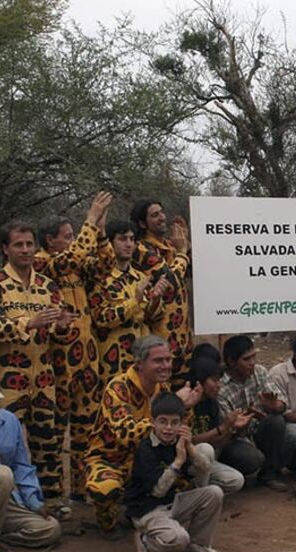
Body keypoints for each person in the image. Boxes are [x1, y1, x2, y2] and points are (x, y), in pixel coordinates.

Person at [0, 220, 73, 517]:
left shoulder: (48, 286)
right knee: (3, 444)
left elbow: (61, 335)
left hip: (44, 378)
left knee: (48, 443)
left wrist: (60, 327)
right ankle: (6, 507)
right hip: (9, 381)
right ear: (5, 249)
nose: (25, 250)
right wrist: (28, 323)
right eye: (18, 244)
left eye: (29, 244)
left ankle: (52, 502)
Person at [32, 192, 115, 504]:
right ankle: (53, 497)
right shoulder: (42, 263)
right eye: (67, 236)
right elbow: (72, 257)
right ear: (50, 240)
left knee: (86, 429)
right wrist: (89, 221)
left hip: (88, 362)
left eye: (73, 236)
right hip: (58, 363)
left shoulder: (77, 267)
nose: (72, 241)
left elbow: (105, 264)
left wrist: (102, 230)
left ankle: (82, 492)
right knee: (54, 433)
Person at [83, 336, 202, 538]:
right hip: (113, 459)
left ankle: (145, 511)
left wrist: (186, 409)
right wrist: (173, 409)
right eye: (158, 361)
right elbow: (126, 435)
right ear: (139, 364)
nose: (166, 366)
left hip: (149, 456)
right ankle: (108, 521)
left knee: (186, 468)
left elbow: (177, 428)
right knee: (105, 488)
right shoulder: (117, 388)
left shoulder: (161, 387)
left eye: (168, 359)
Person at [0, 372, 63, 552]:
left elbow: (22, 465)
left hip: (6, 500)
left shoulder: (9, 420)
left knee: (51, 529)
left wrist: (33, 502)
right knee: (2, 474)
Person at [125, 392, 224, 552]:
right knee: (179, 540)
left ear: (181, 424)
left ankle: (199, 543)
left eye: (174, 423)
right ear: (153, 422)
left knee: (214, 492)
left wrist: (190, 448)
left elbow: (205, 470)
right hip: (148, 509)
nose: (168, 428)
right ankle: (146, 541)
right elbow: (158, 491)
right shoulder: (146, 449)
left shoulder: (178, 442)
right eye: (163, 422)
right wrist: (179, 461)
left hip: (173, 503)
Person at [90, 217, 168, 382]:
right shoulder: (99, 278)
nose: (129, 244)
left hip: (143, 361)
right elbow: (102, 318)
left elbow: (151, 318)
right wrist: (135, 301)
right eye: (122, 239)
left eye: (132, 239)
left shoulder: (140, 277)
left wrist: (155, 300)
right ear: (109, 243)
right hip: (114, 362)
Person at [217, 335, 295, 491]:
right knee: (252, 458)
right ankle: (236, 476)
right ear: (232, 361)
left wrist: (273, 406)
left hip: (259, 431)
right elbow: (226, 433)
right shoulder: (221, 388)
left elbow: (282, 404)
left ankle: (268, 475)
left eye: (254, 357)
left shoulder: (259, 372)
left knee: (282, 424)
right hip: (236, 439)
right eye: (246, 359)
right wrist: (240, 424)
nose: (252, 362)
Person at [131, 199, 193, 380]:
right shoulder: (141, 249)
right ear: (143, 223)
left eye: (162, 212)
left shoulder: (170, 245)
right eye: (154, 215)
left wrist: (186, 244)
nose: (162, 217)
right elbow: (170, 280)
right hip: (161, 335)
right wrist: (182, 252)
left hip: (184, 336)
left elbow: (188, 271)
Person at [188, 357, 253, 491]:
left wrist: (232, 428)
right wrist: (223, 427)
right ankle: (201, 495)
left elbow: (218, 444)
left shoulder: (212, 403)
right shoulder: (187, 402)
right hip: (186, 460)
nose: (218, 385)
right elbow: (190, 440)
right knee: (205, 449)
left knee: (236, 480)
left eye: (219, 380)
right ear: (199, 381)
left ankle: (195, 488)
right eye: (214, 380)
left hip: (207, 461)